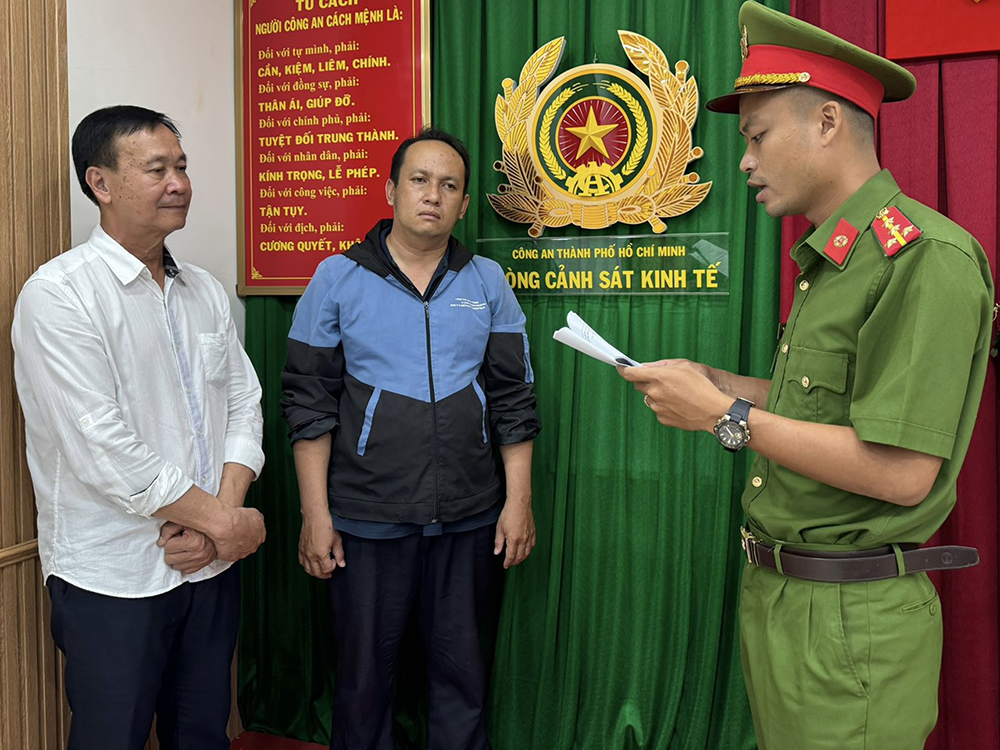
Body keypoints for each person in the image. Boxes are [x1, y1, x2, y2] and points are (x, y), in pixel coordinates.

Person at [620, 4, 993, 748]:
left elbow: (902, 472)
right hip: (788, 600)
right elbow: (831, 409)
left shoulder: (925, 260)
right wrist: (721, 382)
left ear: (827, 122)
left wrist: (724, 417)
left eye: (757, 137)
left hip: (851, 622)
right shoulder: (838, 260)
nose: (746, 161)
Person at [11, 105, 267, 750]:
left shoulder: (205, 290)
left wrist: (222, 522)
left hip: (208, 566)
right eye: (157, 169)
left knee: (204, 732)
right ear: (100, 183)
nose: (179, 182)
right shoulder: (59, 295)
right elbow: (102, 446)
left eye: (181, 166)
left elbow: (244, 401)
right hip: (113, 574)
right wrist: (223, 523)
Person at [281, 127, 540, 750]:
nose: (433, 195)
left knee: (463, 678)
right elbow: (307, 404)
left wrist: (518, 501)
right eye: (419, 181)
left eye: (449, 185)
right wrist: (316, 516)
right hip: (367, 520)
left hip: (471, 517)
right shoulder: (336, 278)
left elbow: (514, 399)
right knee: (364, 681)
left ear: (464, 203)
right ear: (391, 189)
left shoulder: (487, 282)